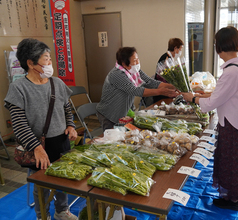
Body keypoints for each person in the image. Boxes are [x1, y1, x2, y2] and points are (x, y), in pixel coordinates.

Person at [182, 26, 238, 211]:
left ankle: (232, 200)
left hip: (234, 125)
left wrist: (193, 98)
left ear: (220, 46)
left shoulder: (231, 71)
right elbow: (223, 95)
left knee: (231, 161)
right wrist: (206, 95)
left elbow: (211, 104)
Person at [4, 38, 78, 220]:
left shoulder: (57, 83)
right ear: (30, 63)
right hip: (38, 146)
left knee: (63, 180)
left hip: (61, 142)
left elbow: (67, 107)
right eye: (46, 59)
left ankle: (62, 211)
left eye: (50, 58)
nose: (50, 63)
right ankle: (42, 216)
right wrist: (36, 148)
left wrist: (70, 125)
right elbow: (20, 125)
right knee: (42, 185)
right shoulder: (18, 88)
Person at [96, 47, 177, 131]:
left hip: (123, 112)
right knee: (112, 139)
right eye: (134, 61)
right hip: (110, 113)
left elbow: (149, 81)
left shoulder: (134, 70)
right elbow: (135, 90)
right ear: (124, 64)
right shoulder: (117, 74)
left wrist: (172, 86)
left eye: (138, 59)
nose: (137, 62)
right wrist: (161, 92)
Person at [153, 38, 184, 103]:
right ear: (175, 48)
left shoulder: (170, 58)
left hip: (167, 90)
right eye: (180, 48)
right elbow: (163, 77)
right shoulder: (166, 59)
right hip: (163, 93)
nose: (181, 51)